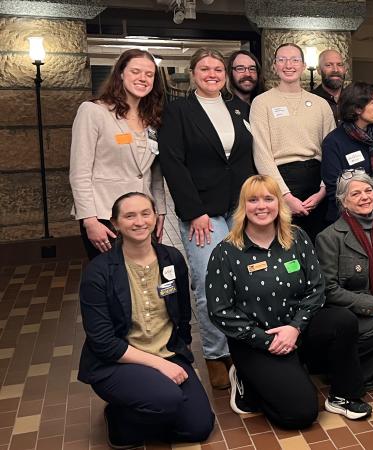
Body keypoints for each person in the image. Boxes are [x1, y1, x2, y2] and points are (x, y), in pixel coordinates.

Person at [206, 175, 372, 429]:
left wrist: (295, 328)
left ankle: (343, 396)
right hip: (257, 341)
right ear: (243, 206)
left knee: (343, 321)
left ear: (279, 203)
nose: (261, 206)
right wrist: (267, 340)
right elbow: (220, 311)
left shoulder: (297, 237)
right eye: (253, 200)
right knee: (300, 414)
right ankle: (246, 380)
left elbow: (316, 288)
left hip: (297, 329)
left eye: (268, 199)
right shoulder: (226, 252)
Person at [78, 192, 214, 449]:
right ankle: (119, 421)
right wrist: (159, 365)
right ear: (115, 223)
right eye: (129, 216)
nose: (139, 221)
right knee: (167, 399)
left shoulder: (172, 259)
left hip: (168, 354)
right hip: (118, 362)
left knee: (198, 427)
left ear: (155, 217)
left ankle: (148, 409)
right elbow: (104, 343)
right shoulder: (99, 272)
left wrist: (178, 354)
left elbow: (183, 315)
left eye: (145, 213)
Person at [160, 48, 257, 390]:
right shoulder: (178, 111)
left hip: (241, 209)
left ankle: (241, 344)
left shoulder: (240, 108)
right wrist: (194, 211)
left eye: (218, 68)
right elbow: (172, 163)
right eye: (205, 68)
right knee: (208, 281)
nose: (212, 73)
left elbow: (249, 159)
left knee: (245, 279)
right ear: (193, 72)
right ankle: (217, 354)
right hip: (203, 212)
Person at [69, 48, 167, 260]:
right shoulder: (93, 111)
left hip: (142, 216)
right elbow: (80, 172)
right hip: (106, 215)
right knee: (112, 283)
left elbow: (154, 173)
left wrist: (160, 210)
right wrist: (89, 220)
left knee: (142, 281)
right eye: (136, 71)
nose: (143, 78)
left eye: (149, 74)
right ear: (120, 73)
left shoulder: (152, 120)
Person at [315, 173, 373, 389]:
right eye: (356, 193)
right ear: (343, 201)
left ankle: (349, 367)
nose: (365, 197)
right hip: (347, 315)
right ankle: (346, 376)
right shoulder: (329, 237)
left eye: (368, 191)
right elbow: (329, 290)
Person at [250, 42, 335, 240]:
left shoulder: (320, 104)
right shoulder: (262, 103)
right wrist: (285, 196)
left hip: (318, 183)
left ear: (303, 66)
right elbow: (261, 153)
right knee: (285, 251)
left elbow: (331, 151)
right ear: (275, 66)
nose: (289, 65)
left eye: (295, 60)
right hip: (280, 182)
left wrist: (323, 190)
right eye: (282, 60)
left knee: (319, 250)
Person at [320, 82, 373, 233]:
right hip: (350, 223)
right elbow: (335, 188)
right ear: (357, 108)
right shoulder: (334, 142)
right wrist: (362, 220)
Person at [312, 49, 347, 121]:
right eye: (329, 65)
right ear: (319, 70)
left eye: (339, 65)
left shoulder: (353, 98)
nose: (335, 70)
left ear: (344, 69)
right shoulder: (311, 100)